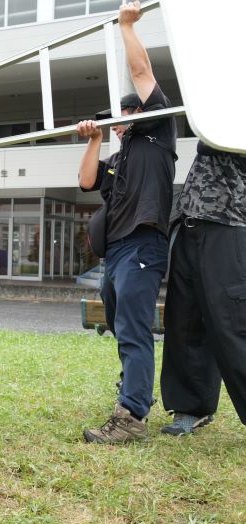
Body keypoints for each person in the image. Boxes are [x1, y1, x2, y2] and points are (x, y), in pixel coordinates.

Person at [76, 0, 177, 444]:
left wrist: (126, 26)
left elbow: (141, 72)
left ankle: (132, 416)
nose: (115, 123)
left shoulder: (157, 134)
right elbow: (84, 182)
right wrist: (95, 140)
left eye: (121, 117)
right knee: (122, 328)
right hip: (116, 252)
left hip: (142, 246)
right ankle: (132, 392)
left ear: (138, 115)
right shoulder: (119, 156)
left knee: (134, 331)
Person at [159, 143, 246, 435]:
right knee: (185, 321)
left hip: (229, 225)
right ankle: (192, 407)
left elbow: (210, 141)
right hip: (190, 225)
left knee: (233, 323)